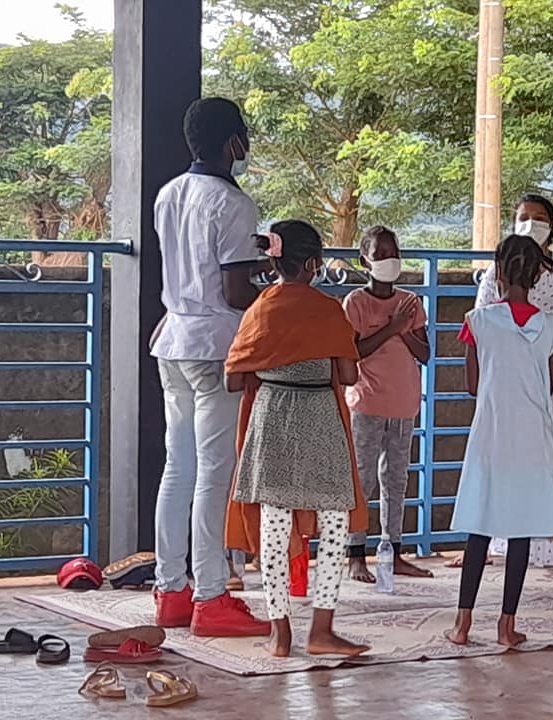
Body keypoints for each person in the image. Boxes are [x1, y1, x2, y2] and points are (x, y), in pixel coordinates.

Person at [150, 97, 269, 636]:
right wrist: (277, 292)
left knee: (179, 468)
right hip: (216, 344)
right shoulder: (233, 204)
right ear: (232, 144)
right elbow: (235, 289)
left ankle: (170, 588)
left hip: (172, 339)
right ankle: (211, 596)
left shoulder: (168, 194)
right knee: (214, 472)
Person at [225, 220, 370, 658]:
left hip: (270, 418)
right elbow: (348, 374)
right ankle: (321, 630)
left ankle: (280, 633)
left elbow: (234, 379)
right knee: (334, 524)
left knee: (274, 525)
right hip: (319, 419)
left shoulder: (260, 310)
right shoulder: (329, 310)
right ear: (313, 264)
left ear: (274, 263)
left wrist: (276, 365)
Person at [464, 193, 553, 569]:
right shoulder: (496, 271)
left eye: (539, 217)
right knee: (509, 460)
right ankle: (499, 541)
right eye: (523, 216)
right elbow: (480, 321)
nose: (531, 223)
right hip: (508, 377)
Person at [446, 235, 553, 647]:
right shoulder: (551, 326)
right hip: (532, 436)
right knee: (521, 531)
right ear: (537, 275)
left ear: (498, 272)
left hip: (491, 433)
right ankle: (506, 625)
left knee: (479, 526)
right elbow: (548, 386)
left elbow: (471, 384)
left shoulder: (477, 321)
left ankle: (462, 625)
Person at [343, 226, 433, 582]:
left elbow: (425, 353)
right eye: (380, 255)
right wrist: (393, 327)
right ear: (364, 261)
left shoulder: (411, 302)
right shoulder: (356, 303)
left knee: (395, 481)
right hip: (367, 402)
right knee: (363, 481)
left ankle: (392, 549)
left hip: (404, 403)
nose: (389, 261)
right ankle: (355, 555)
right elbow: (353, 352)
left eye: (393, 253)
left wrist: (403, 329)